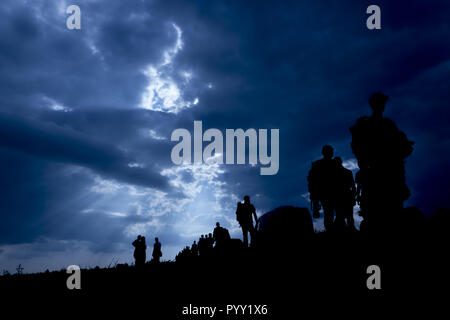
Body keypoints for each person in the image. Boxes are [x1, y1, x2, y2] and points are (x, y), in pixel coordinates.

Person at [350, 92, 413, 233]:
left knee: (390, 212)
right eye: (379, 102)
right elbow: (358, 149)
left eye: (382, 102)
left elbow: (403, 148)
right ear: (374, 105)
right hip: (378, 174)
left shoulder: (386, 125)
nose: (382, 105)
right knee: (378, 213)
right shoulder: (369, 125)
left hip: (388, 173)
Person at [307, 145, 338, 231]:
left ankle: (330, 228)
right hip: (326, 193)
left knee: (329, 213)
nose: (331, 154)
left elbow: (311, 181)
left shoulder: (319, 164)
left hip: (329, 193)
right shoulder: (333, 164)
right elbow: (312, 181)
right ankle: (330, 229)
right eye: (330, 152)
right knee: (329, 213)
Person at [333, 157, 357, 230]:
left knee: (342, 216)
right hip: (345, 196)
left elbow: (353, 186)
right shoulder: (348, 172)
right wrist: (353, 197)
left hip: (341, 197)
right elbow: (353, 187)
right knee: (347, 216)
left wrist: (353, 198)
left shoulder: (334, 174)